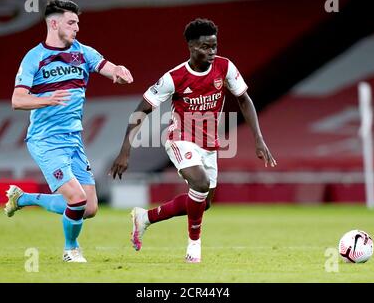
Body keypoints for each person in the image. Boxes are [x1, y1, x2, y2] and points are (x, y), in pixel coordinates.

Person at [110, 18, 276, 263]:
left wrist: (258, 139)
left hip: (210, 143)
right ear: (190, 46)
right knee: (200, 182)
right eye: (205, 47)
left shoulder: (225, 67)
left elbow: (243, 99)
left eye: (214, 46)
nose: (211, 52)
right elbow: (142, 110)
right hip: (180, 138)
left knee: (203, 202)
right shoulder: (174, 77)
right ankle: (194, 249)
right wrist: (125, 150)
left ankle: (145, 218)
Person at [4, 0, 133, 263]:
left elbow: (108, 68)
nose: (76, 28)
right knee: (76, 198)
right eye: (71, 22)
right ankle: (70, 249)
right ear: (54, 23)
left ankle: (24, 198)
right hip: (45, 140)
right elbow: (18, 100)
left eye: (77, 23)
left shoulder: (82, 52)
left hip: (73, 139)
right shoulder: (34, 58)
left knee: (90, 207)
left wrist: (118, 71)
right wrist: (47, 100)